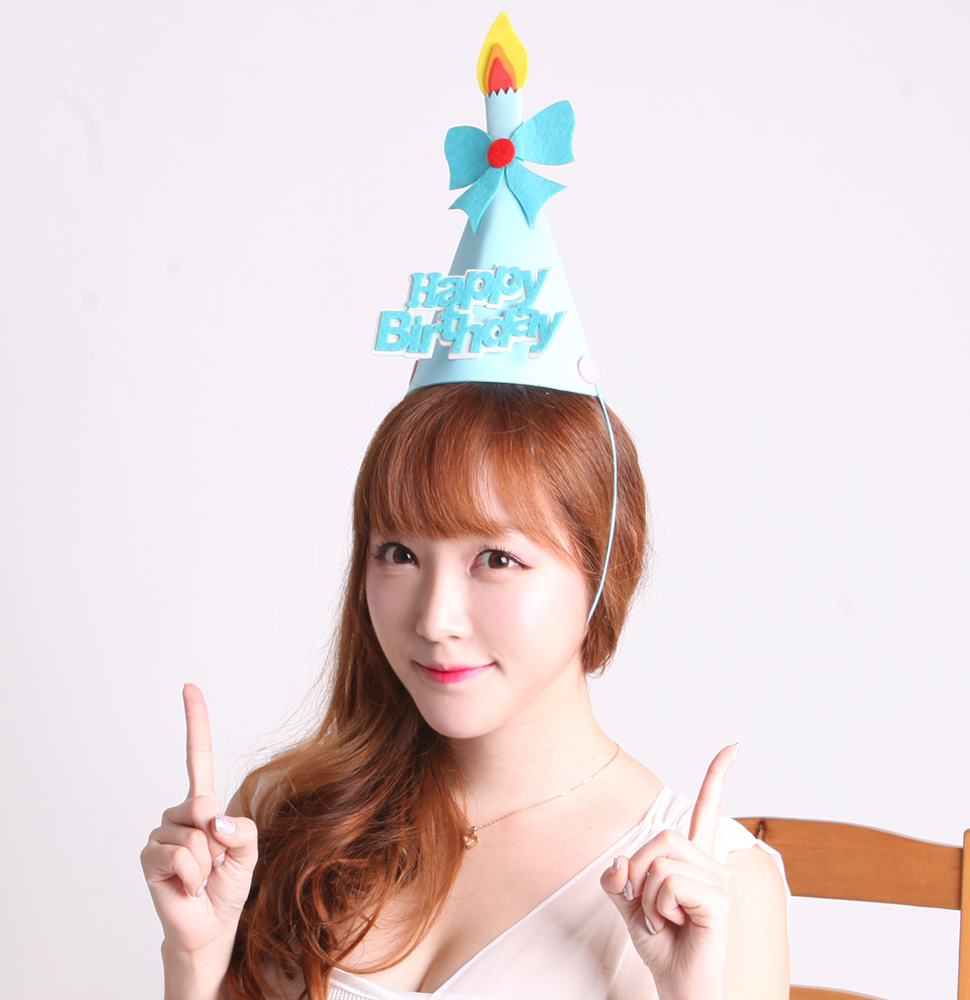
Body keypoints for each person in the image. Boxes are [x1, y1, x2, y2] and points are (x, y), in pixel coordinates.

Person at [142, 17, 790, 1000]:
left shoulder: (716, 885)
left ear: (602, 566)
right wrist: (193, 962)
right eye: (398, 552)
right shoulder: (284, 817)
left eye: (496, 558)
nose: (435, 616)